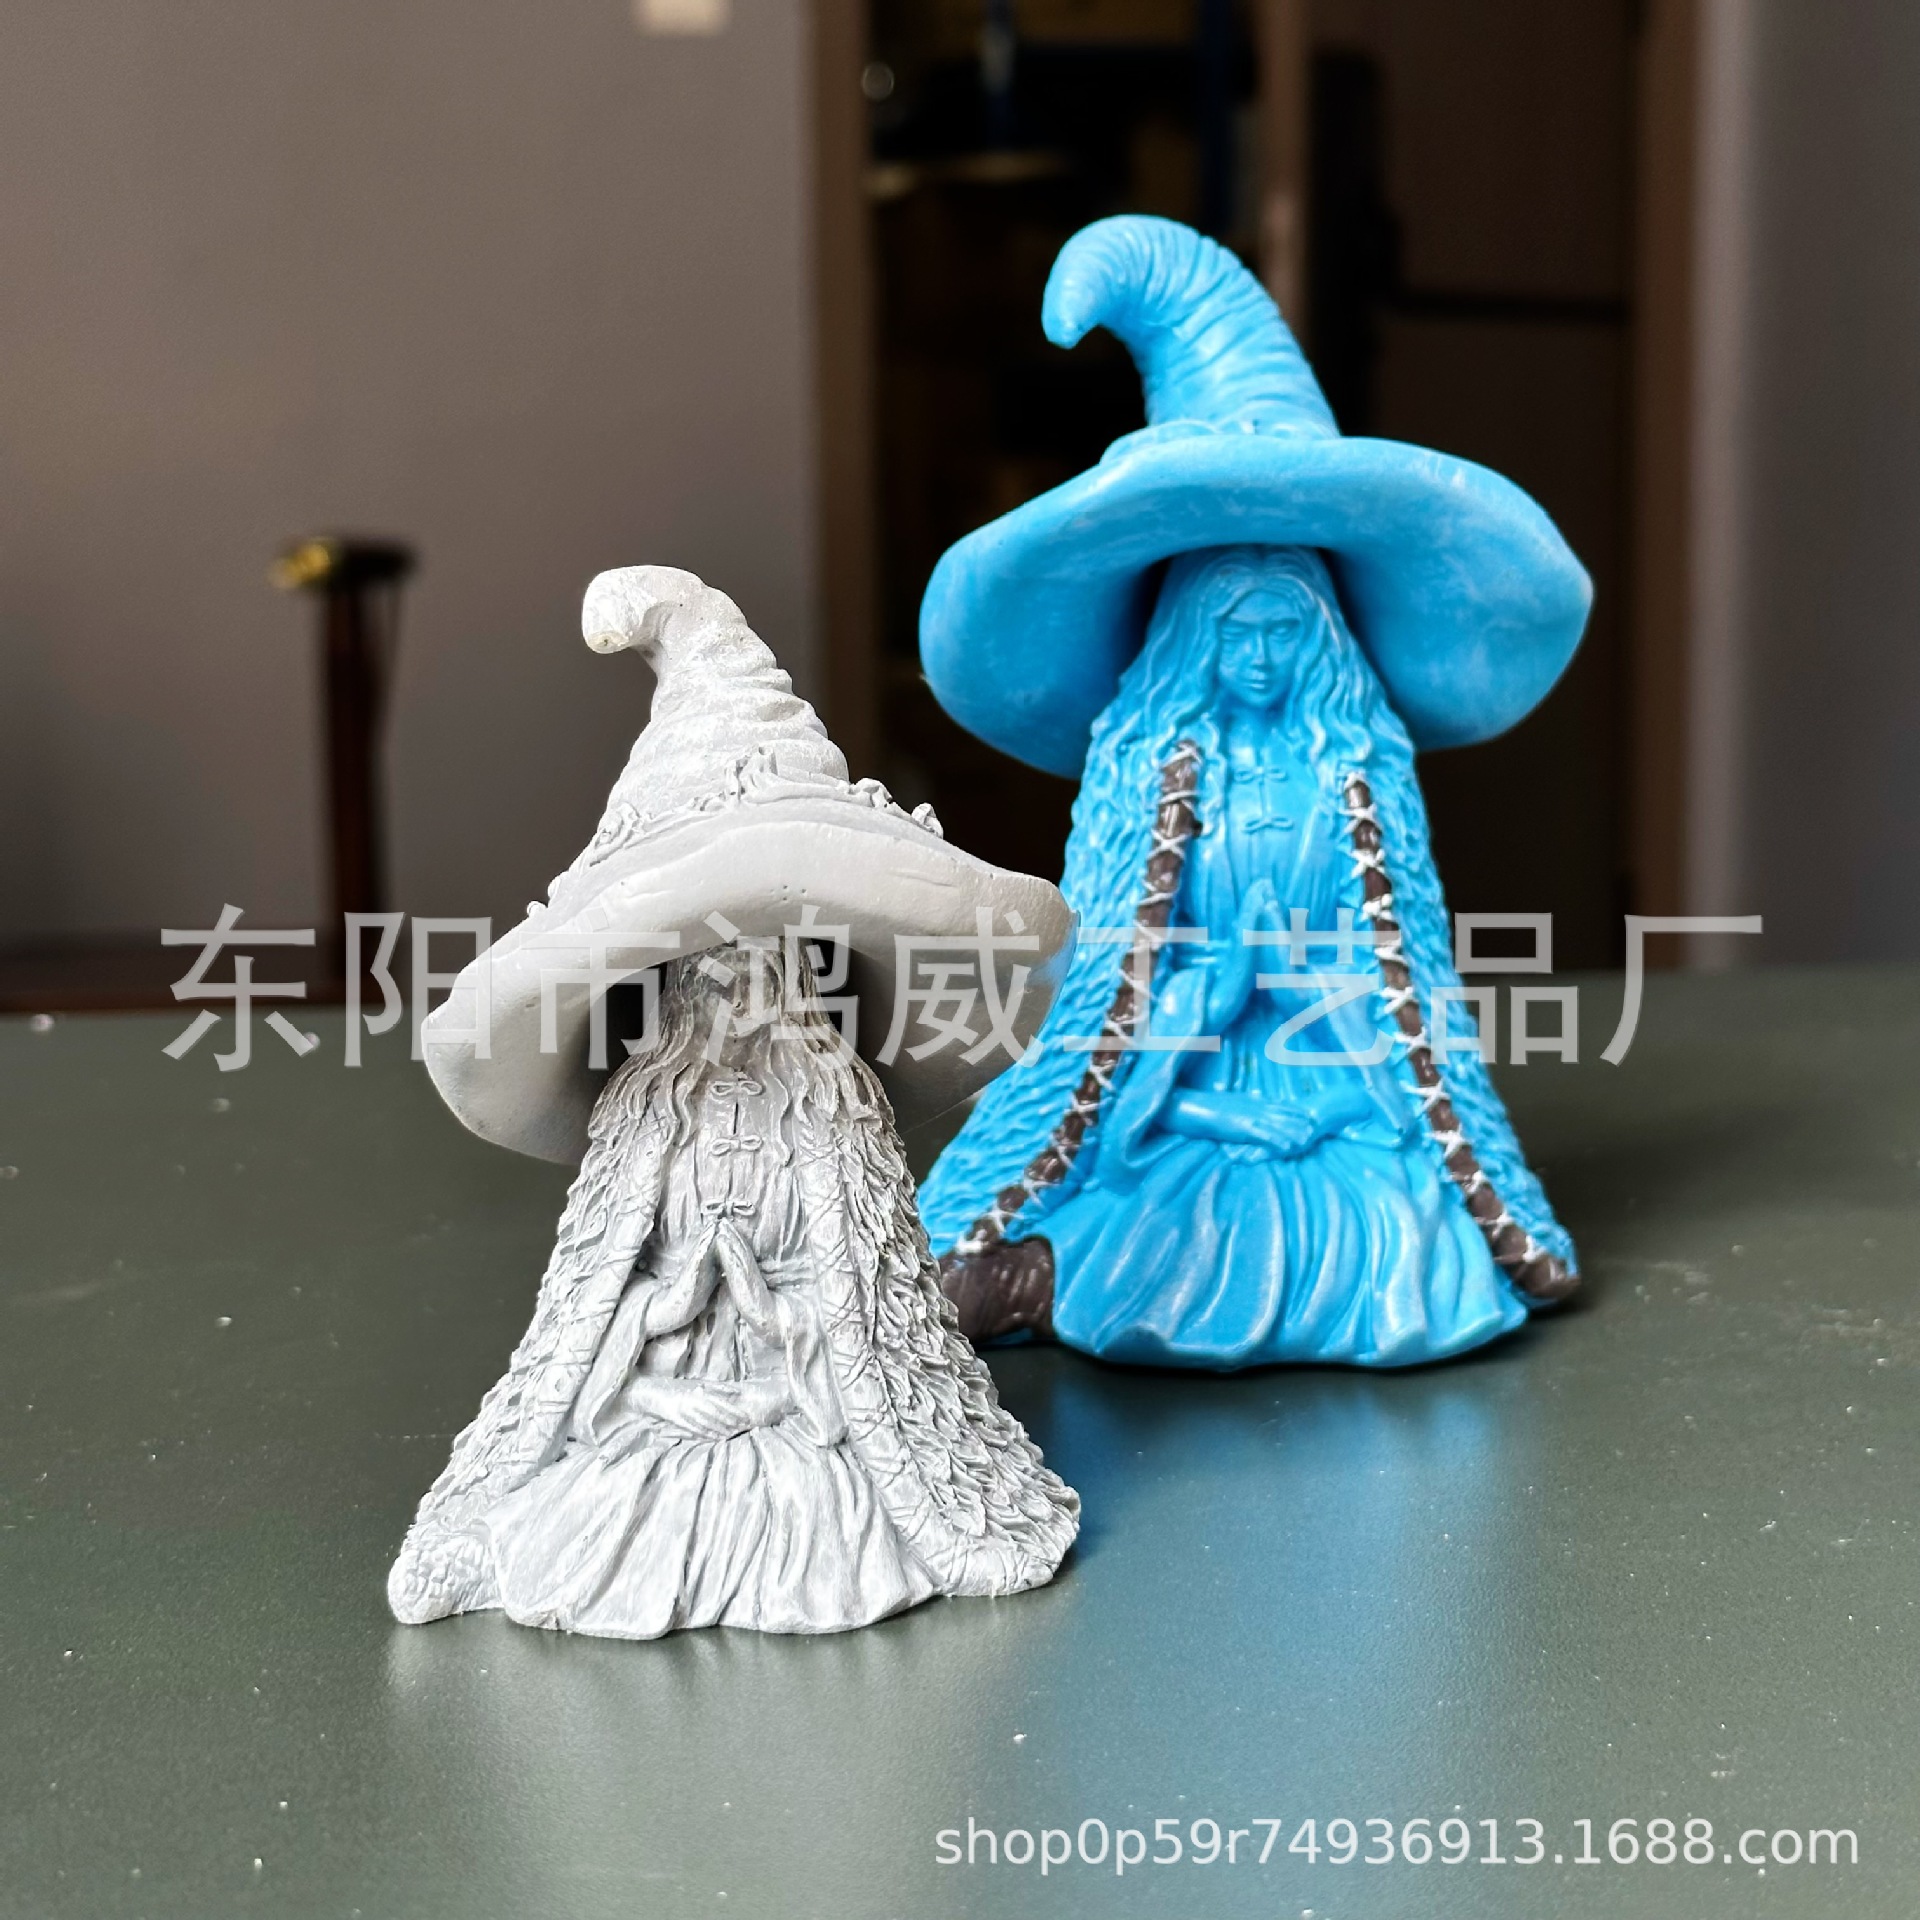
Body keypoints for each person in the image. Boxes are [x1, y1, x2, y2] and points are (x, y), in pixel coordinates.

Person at [919, 217, 1588, 1367]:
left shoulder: (1354, 773)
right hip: (1179, 1084)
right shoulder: (1159, 778)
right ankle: (1046, 1269)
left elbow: (1395, 973)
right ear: (1194, 639)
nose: (1265, 658)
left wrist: (1328, 1082)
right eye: (1239, 632)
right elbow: (1117, 996)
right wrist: (1216, 1090)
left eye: (1287, 631)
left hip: (1336, 1072)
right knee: (1166, 1227)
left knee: (1396, 1233)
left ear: (1323, 637)